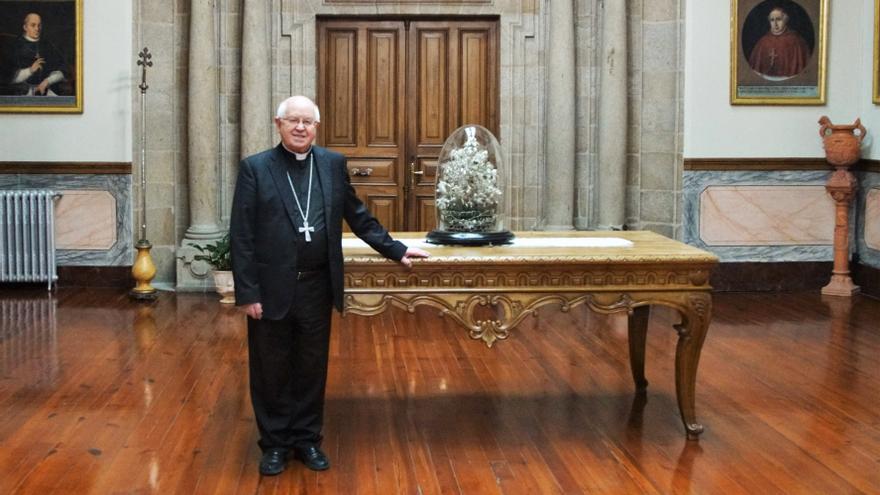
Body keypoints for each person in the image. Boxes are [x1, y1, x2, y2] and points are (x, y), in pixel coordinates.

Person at [230, 95, 430, 476]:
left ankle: (306, 439)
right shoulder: (256, 168)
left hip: (317, 286)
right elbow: (241, 235)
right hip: (271, 288)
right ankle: (274, 444)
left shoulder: (332, 164)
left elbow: (359, 217)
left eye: (308, 121)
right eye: (293, 121)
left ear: (316, 128)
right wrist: (248, 292)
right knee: (270, 369)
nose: (301, 127)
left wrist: (397, 249)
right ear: (278, 124)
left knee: (311, 367)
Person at [8, 13, 69, 96]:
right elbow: (8, 77)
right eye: (33, 25)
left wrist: (47, 81)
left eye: (39, 25)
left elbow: (63, 67)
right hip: (24, 93)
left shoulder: (47, 44)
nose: (37, 29)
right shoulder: (16, 45)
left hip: (47, 90)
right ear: (25, 27)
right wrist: (30, 70)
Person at [747, 6, 811, 79]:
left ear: (785, 20)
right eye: (772, 20)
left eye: (778, 19)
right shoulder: (763, 42)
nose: (775, 24)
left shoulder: (796, 41)